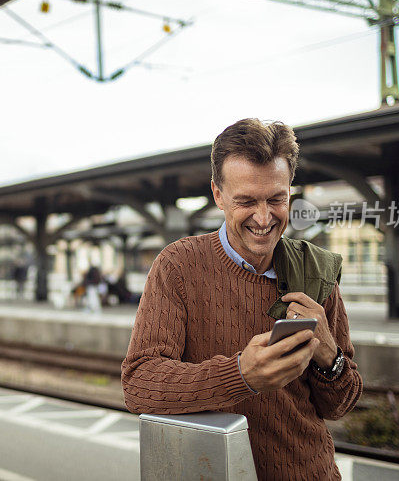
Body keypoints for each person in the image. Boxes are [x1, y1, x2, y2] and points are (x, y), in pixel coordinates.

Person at [121, 119, 363, 480]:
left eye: (276, 199)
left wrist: (330, 357)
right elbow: (139, 383)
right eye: (246, 201)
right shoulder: (179, 266)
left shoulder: (315, 271)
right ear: (218, 194)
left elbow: (340, 405)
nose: (264, 217)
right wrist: (240, 375)